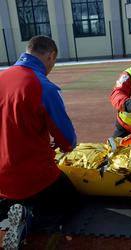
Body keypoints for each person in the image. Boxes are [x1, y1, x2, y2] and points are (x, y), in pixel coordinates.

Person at [0, 35, 79, 249]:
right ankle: (30, 220)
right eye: (53, 62)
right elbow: (68, 141)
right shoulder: (43, 87)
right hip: (33, 177)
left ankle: (12, 209)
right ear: (50, 55)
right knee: (71, 200)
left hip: (1, 178)